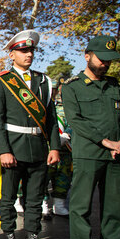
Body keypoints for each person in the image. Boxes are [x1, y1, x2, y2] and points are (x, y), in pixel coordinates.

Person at [62, 35, 120, 239]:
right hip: (89, 153)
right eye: (102, 59)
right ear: (88, 57)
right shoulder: (73, 86)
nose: (106, 64)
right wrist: (106, 142)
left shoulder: (115, 86)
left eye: (109, 61)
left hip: (117, 155)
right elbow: (76, 120)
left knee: (114, 205)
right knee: (82, 203)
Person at [0, 30, 61, 239]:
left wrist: (54, 147)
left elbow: (50, 118)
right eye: (22, 51)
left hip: (39, 149)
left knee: (35, 200)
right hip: (13, 148)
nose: (28, 54)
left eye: (31, 50)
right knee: (8, 199)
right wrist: (3, 150)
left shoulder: (44, 81)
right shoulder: (1, 80)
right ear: (12, 54)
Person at [47, 79, 73, 216]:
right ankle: (43, 205)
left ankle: (59, 205)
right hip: (46, 149)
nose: (52, 91)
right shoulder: (39, 105)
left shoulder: (65, 107)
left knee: (63, 177)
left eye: (55, 89)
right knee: (43, 178)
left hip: (65, 149)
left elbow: (73, 122)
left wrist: (67, 135)